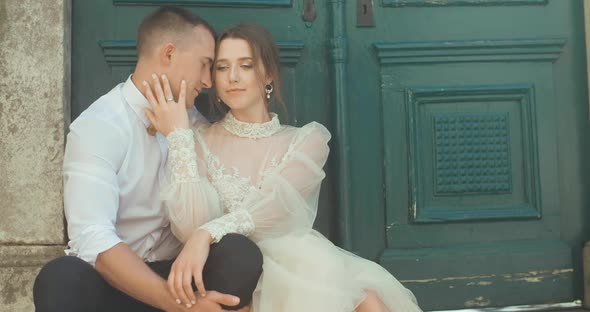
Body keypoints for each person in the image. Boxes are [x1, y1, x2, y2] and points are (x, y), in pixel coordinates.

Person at [143, 22, 422, 312]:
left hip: (296, 267)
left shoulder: (308, 141)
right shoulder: (198, 140)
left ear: (268, 74)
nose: (233, 77)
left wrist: (208, 232)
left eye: (246, 65)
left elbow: (275, 206)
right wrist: (179, 138)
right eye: (222, 68)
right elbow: (190, 226)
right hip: (230, 275)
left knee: (370, 302)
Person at [33, 7, 262, 312]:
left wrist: (182, 135)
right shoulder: (98, 125)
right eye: (205, 64)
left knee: (239, 253)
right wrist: (184, 307)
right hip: (117, 283)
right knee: (60, 278)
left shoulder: (198, 125)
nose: (209, 81)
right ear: (169, 54)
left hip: (183, 277)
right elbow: (92, 238)